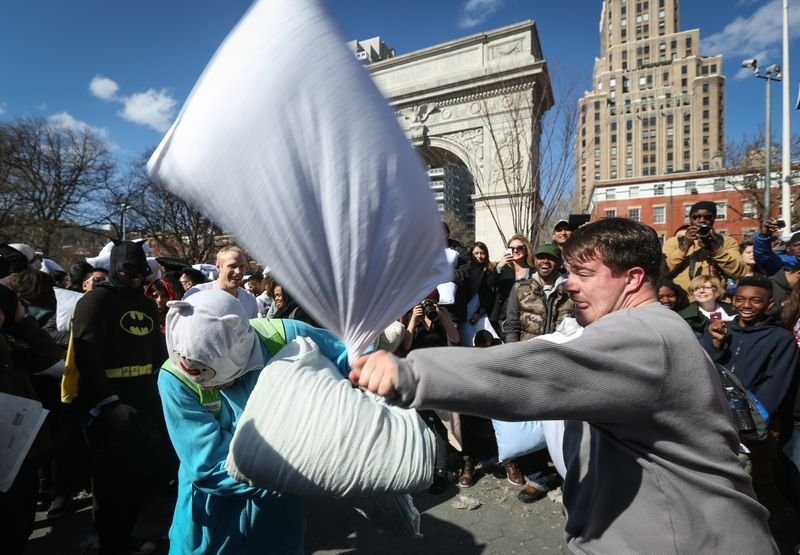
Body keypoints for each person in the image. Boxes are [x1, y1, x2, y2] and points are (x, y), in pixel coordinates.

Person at [351, 218, 777, 554]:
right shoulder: (649, 327)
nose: (570, 284)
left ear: (632, 278)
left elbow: (536, 372)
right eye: (570, 272)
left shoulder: (644, 333)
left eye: (585, 273)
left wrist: (407, 373)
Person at [158, 288, 350, 554]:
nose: (217, 387)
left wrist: (376, 372)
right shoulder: (175, 378)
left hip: (276, 511)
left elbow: (349, 356)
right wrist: (300, 474)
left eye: (221, 378)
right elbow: (209, 465)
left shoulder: (283, 337)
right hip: (212, 509)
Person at [62, 241, 168, 555]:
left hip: (146, 401)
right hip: (109, 404)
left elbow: (157, 353)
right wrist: (109, 403)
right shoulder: (96, 301)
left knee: (143, 476)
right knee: (111, 482)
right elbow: (86, 355)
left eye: (141, 270)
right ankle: (113, 544)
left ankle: (124, 537)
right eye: (128, 269)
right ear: (115, 267)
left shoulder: (147, 305)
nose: (136, 276)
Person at [501, 242, 573, 500]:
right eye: (541, 258)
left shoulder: (571, 289)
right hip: (527, 363)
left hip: (561, 366)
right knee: (528, 423)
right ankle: (538, 478)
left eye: (551, 259)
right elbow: (511, 325)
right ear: (535, 261)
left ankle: (569, 477)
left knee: (564, 426)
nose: (545, 262)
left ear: (558, 262)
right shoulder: (521, 288)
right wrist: (512, 358)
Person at [0, 284, 63, 555]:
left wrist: (21, 320)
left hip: (19, 442)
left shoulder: (11, 337)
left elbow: (46, 355)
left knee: (20, 519)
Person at [662, 201, 744, 293]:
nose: (701, 220)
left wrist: (714, 245)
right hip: (683, 302)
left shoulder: (726, 242)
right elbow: (664, 271)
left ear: (714, 218)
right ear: (690, 220)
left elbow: (738, 272)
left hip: (716, 301)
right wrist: (685, 244)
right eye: (696, 217)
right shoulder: (673, 242)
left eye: (707, 217)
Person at [184, 246, 258, 318]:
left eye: (242, 266)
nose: (238, 271)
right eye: (232, 266)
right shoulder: (196, 294)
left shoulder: (250, 299)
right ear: (218, 267)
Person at [487, 234, 533, 338]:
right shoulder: (503, 269)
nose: (515, 251)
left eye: (519, 248)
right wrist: (499, 266)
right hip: (504, 318)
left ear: (526, 250)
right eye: (512, 248)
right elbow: (489, 284)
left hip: (528, 316)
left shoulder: (533, 271)